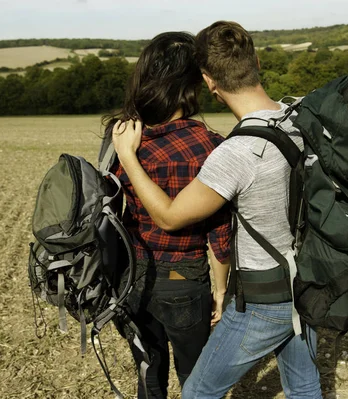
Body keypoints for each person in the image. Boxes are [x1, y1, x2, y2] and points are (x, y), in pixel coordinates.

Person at [112, 22, 322, 398]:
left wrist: (127, 155)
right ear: (256, 60)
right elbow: (220, 231)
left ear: (209, 81)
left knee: (183, 386)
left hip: (255, 295)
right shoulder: (297, 119)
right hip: (302, 281)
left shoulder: (232, 152)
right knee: (303, 385)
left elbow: (168, 216)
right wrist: (221, 287)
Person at [102, 31, 231, 399]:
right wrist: (221, 290)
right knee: (197, 378)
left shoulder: (125, 137)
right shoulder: (208, 146)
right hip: (184, 279)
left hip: (131, 277)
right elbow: (219, 232)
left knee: (148, 374)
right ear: (192, 85)